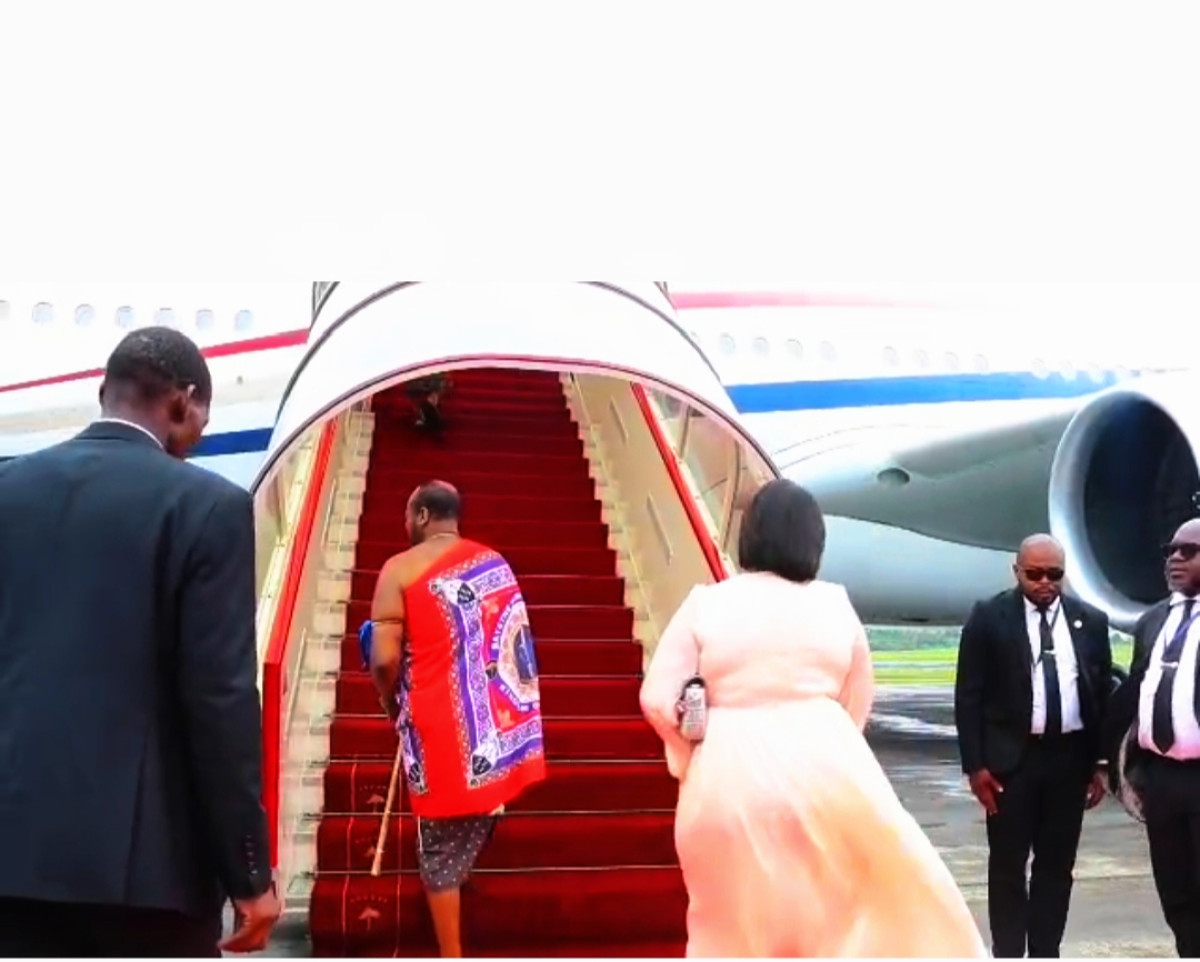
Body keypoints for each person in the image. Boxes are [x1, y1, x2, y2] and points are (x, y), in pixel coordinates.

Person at [0, 327, 280, 956]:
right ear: (184, 401)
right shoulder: (208, 507)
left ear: (105, 391)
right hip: (145, 878)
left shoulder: (8, 490)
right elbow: (219, 700)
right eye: (204, 416)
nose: (201, 433)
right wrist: (249, 873)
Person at [639, 478, 985, 957]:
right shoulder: (833, 602)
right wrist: (830, 741)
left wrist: (690, 754)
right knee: (849, 919)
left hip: (727, 777)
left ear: (749, 535)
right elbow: (860, 694)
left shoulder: (706, 603)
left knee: (731, 929)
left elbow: (657, 699)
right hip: (829, 773)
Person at [366, 480, 546, 957]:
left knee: (439, 854)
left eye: (408, 514)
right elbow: (515, 646)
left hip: (439, 727)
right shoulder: (495, 563)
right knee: (468, 823)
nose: (405, 524)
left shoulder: (399, 569)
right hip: (497, 727)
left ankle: (451, 954)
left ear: (423, 515)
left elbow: (384, 659)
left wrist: (389, 702)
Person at [954, 533, 1111, 958]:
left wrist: (1100, 763)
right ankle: (1008, 952)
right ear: (1017, 571)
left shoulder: (1090, 621)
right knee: (1008, 866)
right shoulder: (989, 618)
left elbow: (1099, 695)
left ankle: (1046, 952)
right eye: (1035, 574)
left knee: (1056, 868)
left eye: (1054, 574)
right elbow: (968, 696)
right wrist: (975, 766)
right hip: (1011, 763)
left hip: (1070, 761)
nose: (1045, 583)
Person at [1105, 518, 1200, 956]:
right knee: (1175, 893)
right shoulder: (1153, 621)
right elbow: (1134, 694)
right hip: (1160, 778)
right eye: (1170, 551)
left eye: (1189, 551)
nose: (1174, 559)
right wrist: (1107, 762)